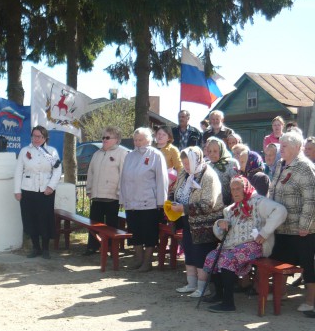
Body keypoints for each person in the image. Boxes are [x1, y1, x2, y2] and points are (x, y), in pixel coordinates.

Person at [202, 176, 287, 312]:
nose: (235, 192)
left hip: (255, 245)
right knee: (212, 256)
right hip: (233, 246)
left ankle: (228, 303)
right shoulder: (231, 209)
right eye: (233, 189)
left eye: (238, 188)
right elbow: (222, 235)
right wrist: (220, 224)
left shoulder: (259, 202)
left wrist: (264, 232)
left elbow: (281, 211)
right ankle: (219, 294)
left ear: (245, 188)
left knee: (227, 259)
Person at [267, 130, 315, 315]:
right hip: (283, 225)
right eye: (281, 146)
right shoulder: (281, 164)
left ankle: (311, 301)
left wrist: (305, 225)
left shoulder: (305, 167)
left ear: (297, 147)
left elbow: (311, 199)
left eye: (284, 146)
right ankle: (282, 292)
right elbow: (273, 190)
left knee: (308, 264)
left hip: (302, 229)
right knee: (280, 260)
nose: (281, 149)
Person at [169, 147, 223, 298]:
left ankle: (203, 287)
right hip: (187, 220)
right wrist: (172, 201)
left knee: (201, 254)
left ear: (196, 160)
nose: (186, 167)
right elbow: (176, 190)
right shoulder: (184, 173)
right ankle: (191, 284)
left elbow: (208, 204)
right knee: (190, 252)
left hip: (204, 223)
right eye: (184, 163)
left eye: (188, 163)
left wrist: (184, 207)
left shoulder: (208, 176)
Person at [119, 127, 168, 272]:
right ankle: (138, 259)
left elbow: (162, 180)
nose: (137, 142)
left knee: (149, 233)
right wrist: (123, 198)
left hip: (149, 203)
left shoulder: (156, 155)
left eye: (140, 139)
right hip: (131, 202)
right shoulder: (129, 156)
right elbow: (123, 179)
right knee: (135, 232)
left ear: (148, 139)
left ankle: (147, 262)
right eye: (135, 140)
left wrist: (161, 202)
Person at [14, 125, 62, 259]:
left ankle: (46, 249)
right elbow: (18, 171)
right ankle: (36, 248)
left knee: (45, 220)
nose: (36, 139)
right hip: (28, 190)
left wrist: (51, 187)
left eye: (39, 136)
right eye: (34, 136)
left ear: (45, 138)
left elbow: (57, 170)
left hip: (45, 191)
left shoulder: (51, 152)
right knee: (31, 219)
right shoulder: (25, 151)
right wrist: (17, 190)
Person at [84, 126, 128, 255]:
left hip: (112, 196)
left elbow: (123, 175)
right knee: (94, 224)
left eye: (107, 137)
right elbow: (90, 173)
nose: (104, 140)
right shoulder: (97, 154)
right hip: (97, 196)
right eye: (103, 137)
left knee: (110, 225)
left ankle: (110, 249)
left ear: (116, 139)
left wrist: (120, 192)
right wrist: (89, 189)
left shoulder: (121, 153)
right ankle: (92, 246)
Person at [204, 136, 239, 206]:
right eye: (209, 151)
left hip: (228, 204)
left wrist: (232, 206)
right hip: (211, 204)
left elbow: (236, 185)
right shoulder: (206, 165)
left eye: (215, 151)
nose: (211, 154)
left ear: (222, 150)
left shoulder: (231, 163)